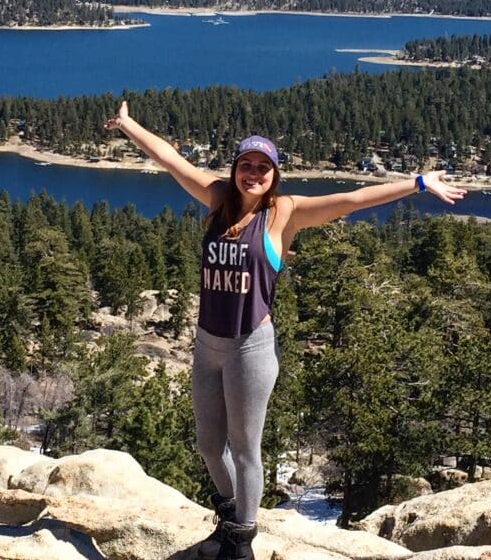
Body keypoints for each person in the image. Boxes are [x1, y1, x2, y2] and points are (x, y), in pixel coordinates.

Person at [104, 100, 465, 560]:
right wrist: (129, 125)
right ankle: (232, 517)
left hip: (249, 348)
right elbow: (171, 160)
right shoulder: (217, 199)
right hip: (207, 344)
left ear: (274, 175)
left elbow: (352, 200)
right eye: (246, 164)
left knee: (246, 449)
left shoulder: (284, 214)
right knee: (210, 447)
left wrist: (417, 183)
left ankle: (241, 541)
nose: (253, 173)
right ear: (236, 169)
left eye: (263, 167)